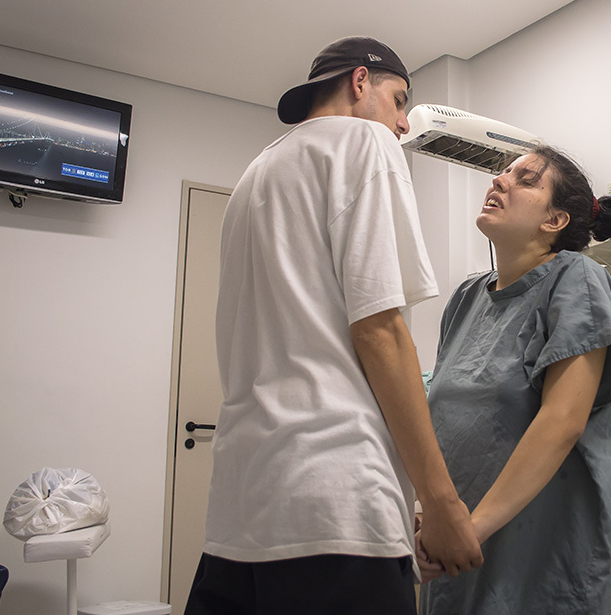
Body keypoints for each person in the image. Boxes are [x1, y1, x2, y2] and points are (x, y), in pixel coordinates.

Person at [185, 36, 482, 615]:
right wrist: (440, 502)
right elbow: (380, 331)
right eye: (400, 102)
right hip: (336, 496)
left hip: (242, 510)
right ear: (360, 81)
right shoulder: (365, 141)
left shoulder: (257, 174)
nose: (402, 125)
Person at [417, 145, 611, 614]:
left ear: (555, 221)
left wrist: (470, 528)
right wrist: (434, 515)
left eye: (524, 179)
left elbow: (563, 421)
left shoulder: (576, 279)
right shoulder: (466, 298)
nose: (499, 181)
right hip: (460, 555)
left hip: (546, 564)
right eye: (502, 173)